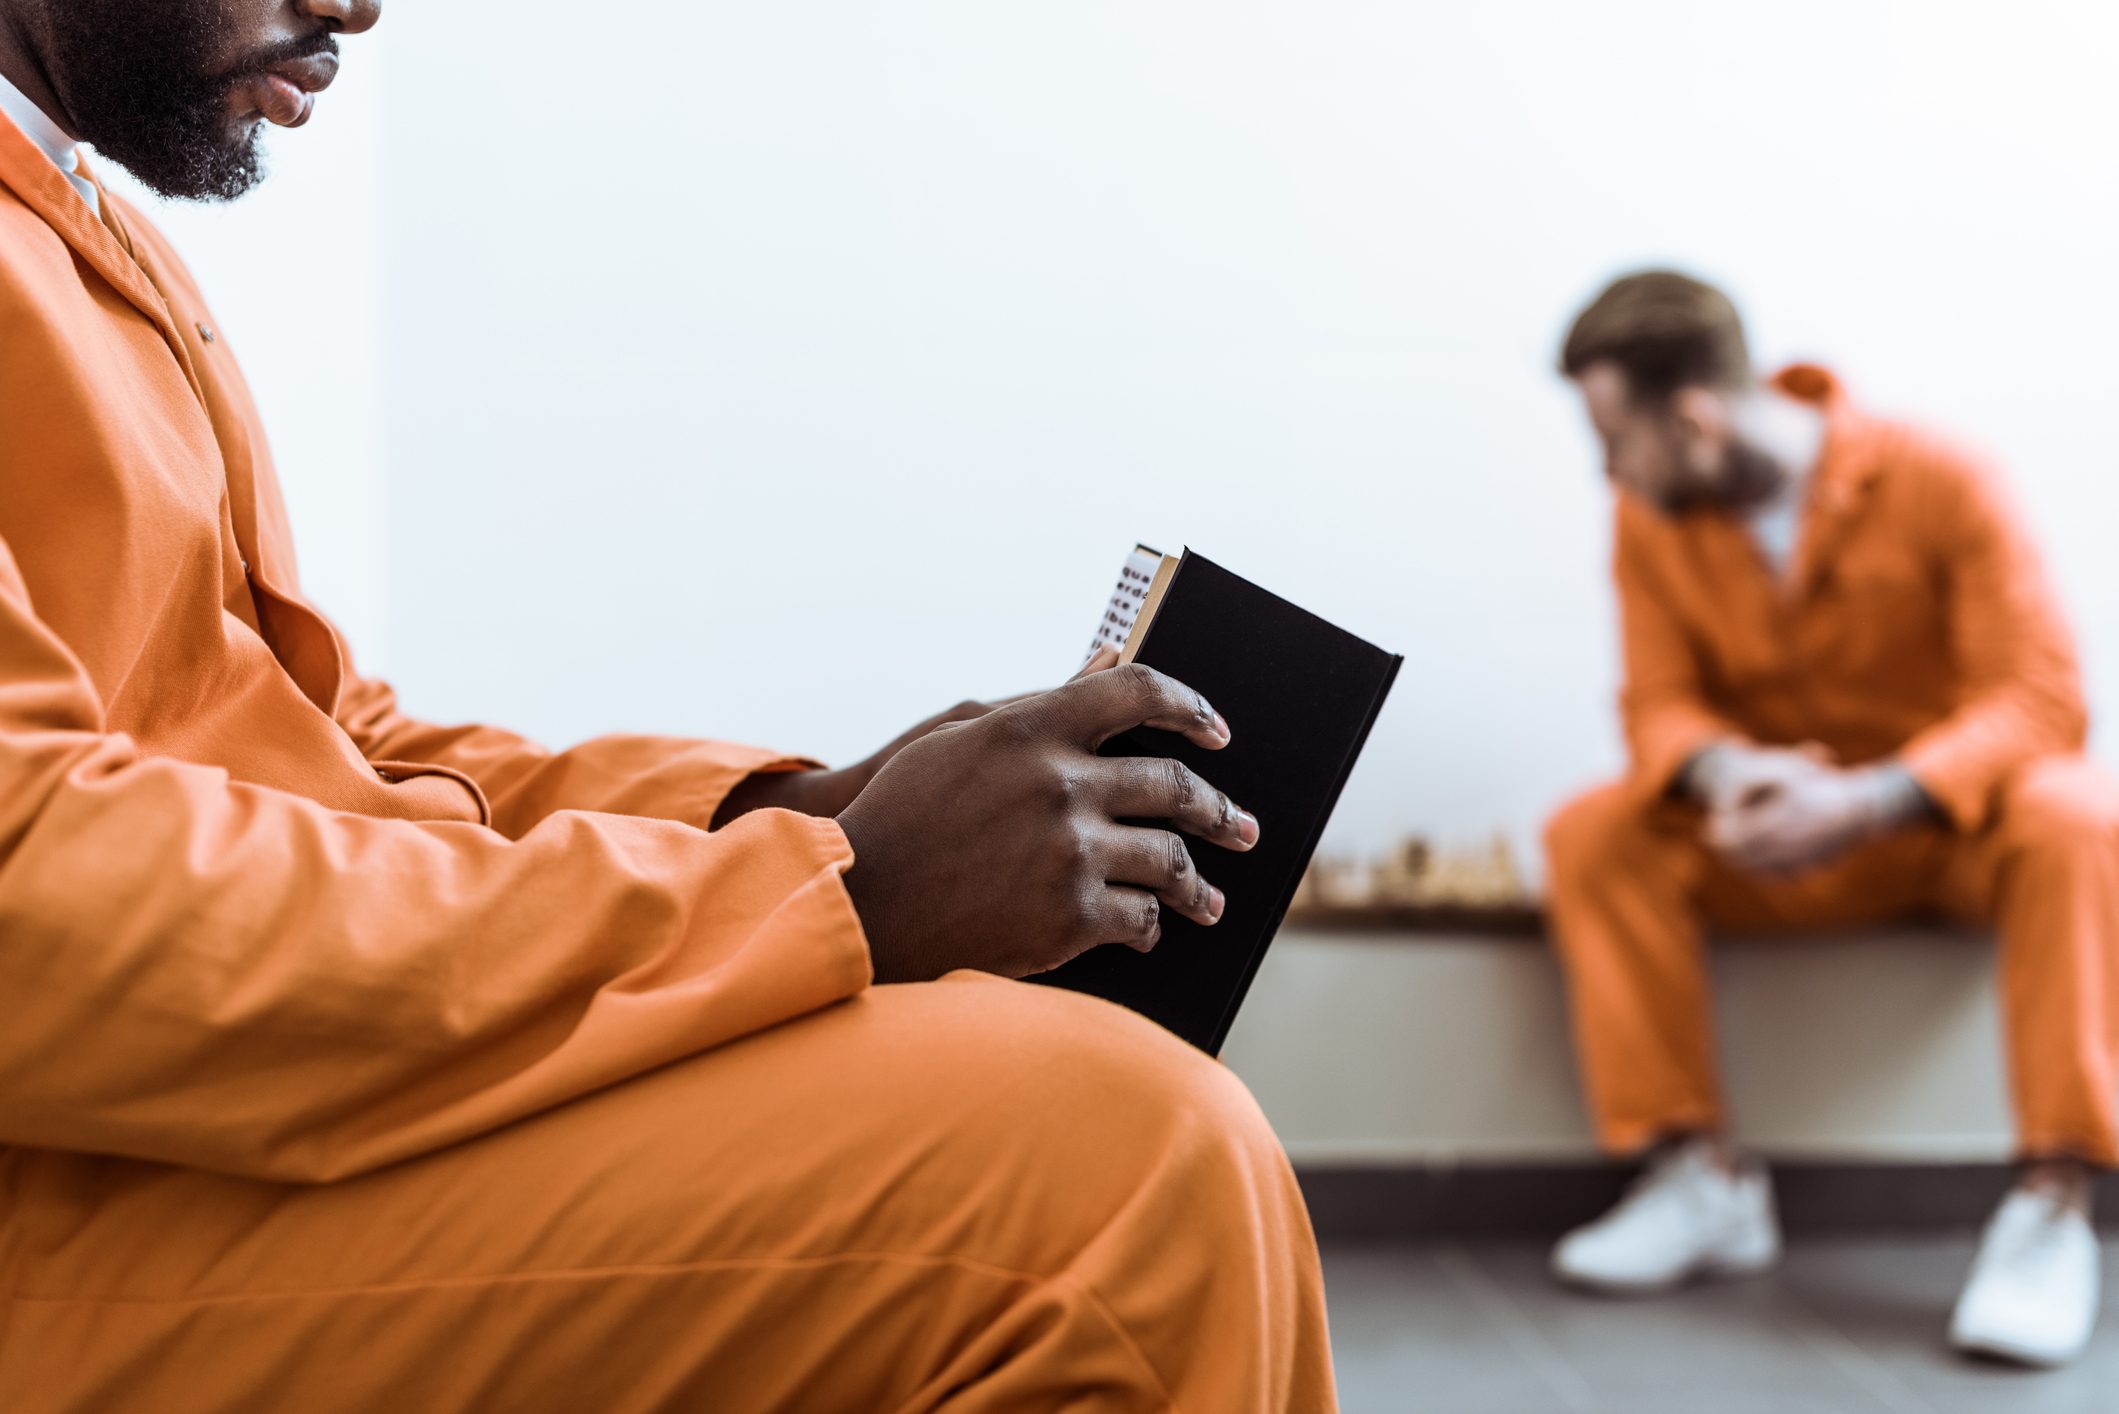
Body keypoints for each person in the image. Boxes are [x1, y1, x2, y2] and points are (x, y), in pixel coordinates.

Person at [0, 2, 1336, 1408]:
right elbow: (33, 893)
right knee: (1118, 1179)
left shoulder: (85, 227)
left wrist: (778, 812)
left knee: (1104, 1115)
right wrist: (830, 892)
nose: (357, 5)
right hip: (75, 1195)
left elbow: (328, 744)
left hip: (202, 1124)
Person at [1542, 269, 2114, 1367]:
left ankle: (2053, 1205)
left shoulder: (1943, 478)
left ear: (1694, 418)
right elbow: (1656, 706)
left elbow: (2041, 697)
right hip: (1774, 843)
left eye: (1613, 440)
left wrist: (1865, 799)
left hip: (1949, 835)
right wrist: (1726, 775)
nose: (1605, 470)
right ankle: (1698, 1178)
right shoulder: (1648, 521)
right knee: (1594, 833)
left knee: (2078, 812)